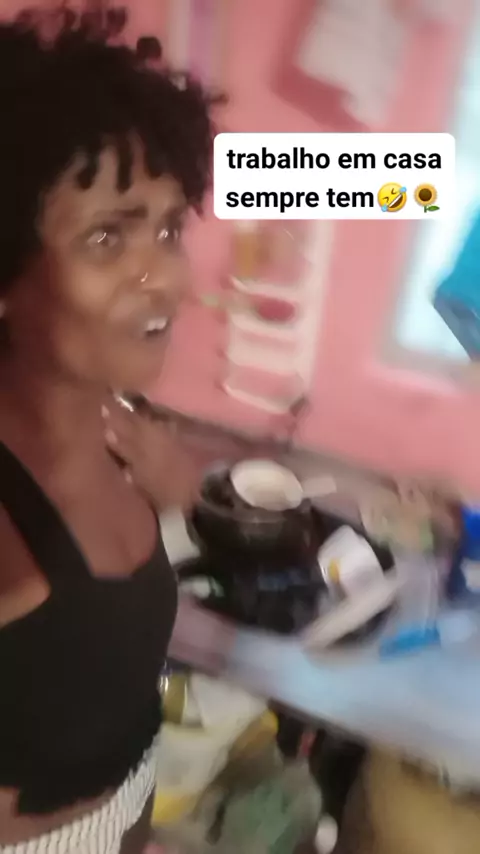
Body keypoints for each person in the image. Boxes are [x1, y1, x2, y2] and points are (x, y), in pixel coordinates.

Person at [0, 6, 219, 851]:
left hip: (129, 810)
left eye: (167, 229)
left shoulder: (114, 426)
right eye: (106, 237)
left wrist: (179, 507)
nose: (164, 277)